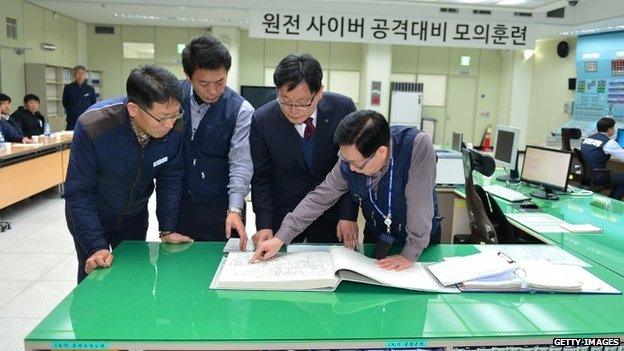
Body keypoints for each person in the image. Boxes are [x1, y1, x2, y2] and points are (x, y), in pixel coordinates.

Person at [252, 110, 442, 271]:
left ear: (381, 152)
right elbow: (319, 198)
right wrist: (280, 238)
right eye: (346, 160)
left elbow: (420, 205)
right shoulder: (348, 161)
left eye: (356, 163)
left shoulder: (415, 146)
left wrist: (410, 253)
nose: (350, 168)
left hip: (420, 243)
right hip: (379, 237)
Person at [64, 65, 193, 284]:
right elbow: (79, 193)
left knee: (135, 280)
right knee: (96, 280)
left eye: (175, 114)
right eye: (162, 118)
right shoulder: (93, 127)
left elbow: (171, 176)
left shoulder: (175, 125)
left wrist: (168, 227)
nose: (170, 124)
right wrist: (96, 246)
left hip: (134, 216)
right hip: (94, 215)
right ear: (133, 109)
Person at [250, 53, 359, 246]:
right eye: (285, 100)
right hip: (284, 216)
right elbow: (261, 178)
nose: (293, 109)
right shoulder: (262, 120)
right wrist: (264, 225)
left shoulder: (343, 109)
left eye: (302, 102)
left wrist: (348, 215)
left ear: (319, 93)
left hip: (331, 214)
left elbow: (351, 168)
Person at [177, 35, 254, 249]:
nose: (212, 91)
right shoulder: (171, 98)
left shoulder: (241, 110)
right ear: (188, 75)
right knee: (179, 271)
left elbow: (241, 163)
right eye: (203, 83)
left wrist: (235, 209)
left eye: (220, 82)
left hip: (222, 210)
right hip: (179, 205)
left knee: (222, 271)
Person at [580, 117, 624, 200]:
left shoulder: (588, 138)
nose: (614, 130)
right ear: (609, 129)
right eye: (613, 128)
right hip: (598, 176)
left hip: (586, 174)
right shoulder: (609, 143)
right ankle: (610, 204)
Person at [62, 65, 97, 130]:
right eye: (78, 73)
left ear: (85, 75)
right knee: (70, 139)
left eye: (82, 73)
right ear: (74, 75)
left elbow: (93, 104)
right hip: (72, 121)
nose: (80, 76)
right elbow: (65, 103)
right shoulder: (68, 88)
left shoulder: (90, 89)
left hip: (87, 120)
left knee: (87, 139)